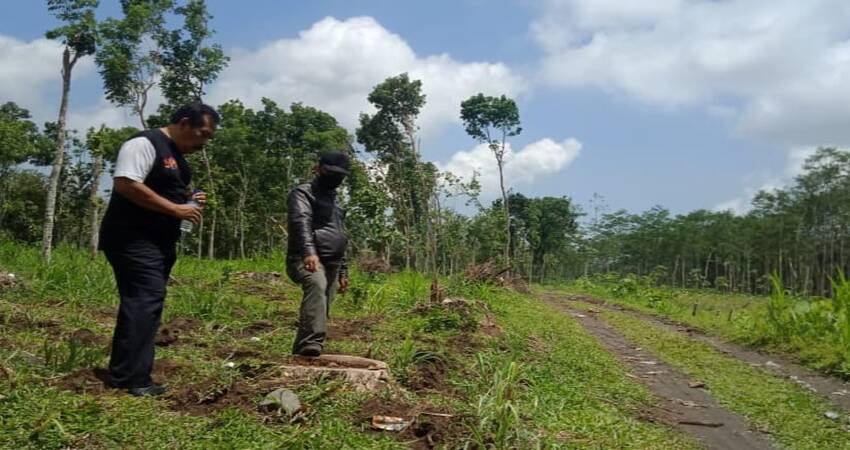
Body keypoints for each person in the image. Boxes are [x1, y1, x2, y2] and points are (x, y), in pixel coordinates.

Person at [98, 103, 219, 396]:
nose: (204, 142)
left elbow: (167, 190)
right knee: (145, 300)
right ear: (185, 123)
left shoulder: (178, 157)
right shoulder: (143, 143)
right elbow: (126, 184)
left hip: (159, 242)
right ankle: (133, 378)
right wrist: (175, 209)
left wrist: (189, 198)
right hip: (132, 239)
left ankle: (126, 372)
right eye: (202, 133)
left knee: (144, 303)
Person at [287, 151, 351, 357]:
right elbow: (300, 221)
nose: (336, 178)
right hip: (305, 257)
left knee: (321, 307)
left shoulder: (336, 200)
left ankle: (301, 353)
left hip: (333, 260)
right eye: (331, 173)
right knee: (316, 284)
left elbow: (340, 234)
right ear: (318, 169)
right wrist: (308, 252)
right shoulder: (303, 193)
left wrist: (343, 270)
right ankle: (311, 344)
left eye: (340, 175)